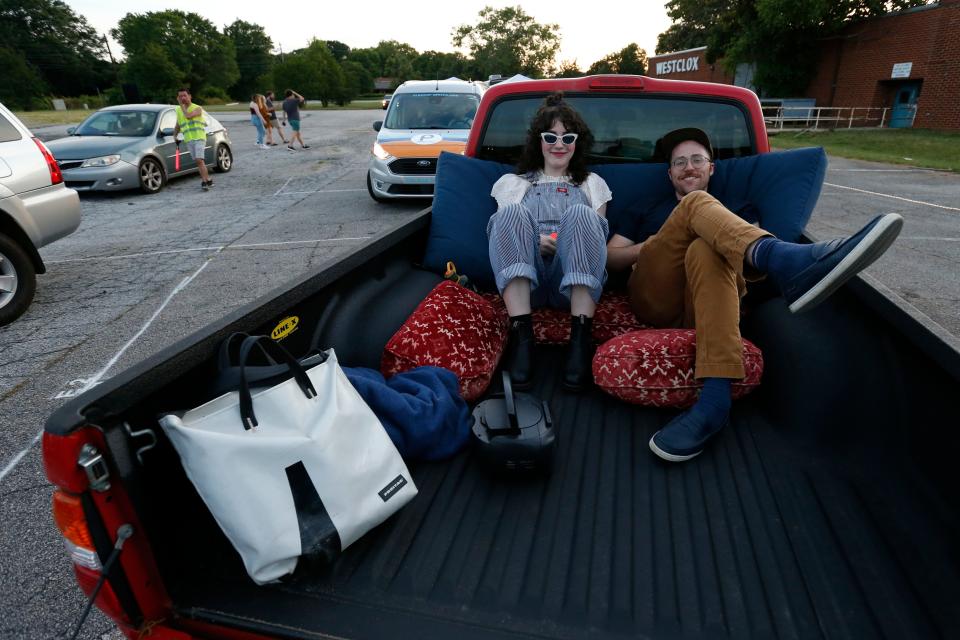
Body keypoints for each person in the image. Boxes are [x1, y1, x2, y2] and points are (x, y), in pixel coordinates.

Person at [606, 127, 903, 462]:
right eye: (680, 162)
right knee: (694, 206)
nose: (689, 167)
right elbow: (610, 257)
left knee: (706, 247)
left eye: (697, 159)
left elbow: (740, 271)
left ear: (712, 168)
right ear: (669, 172)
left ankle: (714, 404)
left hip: (708, 303)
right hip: (654, 297)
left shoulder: (737, 207)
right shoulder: (647, 207)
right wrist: (658, 243)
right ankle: (786, 261)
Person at [487, 92, 612, 391]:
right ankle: (521, 338)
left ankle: (580, 341)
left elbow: (597, 238)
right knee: (513, 213)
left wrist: (560, 241)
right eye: (551, 136)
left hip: (567, 282)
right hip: (525, 284)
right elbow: (508, 236)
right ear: (538, 141)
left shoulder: (592, 184)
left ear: (576, 143)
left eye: (567, 138)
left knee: (583, 215)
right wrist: (537, 241)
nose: (559, 144)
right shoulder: (513, 184)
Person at [174, 88, 213, 191]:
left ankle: (204, 182)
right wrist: (175, 135)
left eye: (184, 95)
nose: (182, 98)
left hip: (199, 137)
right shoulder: (178, 110)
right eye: (180, 96)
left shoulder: (197, 108)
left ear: (190, 96)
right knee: (198, 161)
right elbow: (178, 123)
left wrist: (181, 106)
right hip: (189, 139)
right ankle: (208, 179)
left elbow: (188, 116)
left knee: (199, 160)